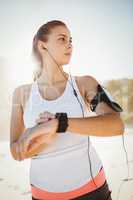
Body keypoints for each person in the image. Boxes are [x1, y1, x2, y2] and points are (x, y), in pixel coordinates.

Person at [10, 20, 124, 200]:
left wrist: (59, 123)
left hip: (92, 192)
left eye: (71, 40)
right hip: (43, 195)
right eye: (62, 39)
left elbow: (116, 125)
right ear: (42, 46)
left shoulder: (85, 84)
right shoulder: (21, 94)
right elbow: (16, 151)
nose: (70, 44)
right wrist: (41, 137)